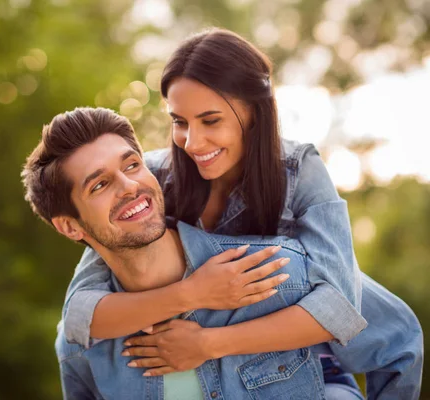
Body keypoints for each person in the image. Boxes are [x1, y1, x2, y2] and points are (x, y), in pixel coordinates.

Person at [59, 29, 422, 398]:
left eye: (211, 120)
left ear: (253, 110)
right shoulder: (150, 180)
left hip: (300, 365)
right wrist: (193, 293)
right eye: (180, 122)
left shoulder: (299, 173)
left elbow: (338, 308)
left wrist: (209, 343)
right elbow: (79, 314)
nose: (192, 143)